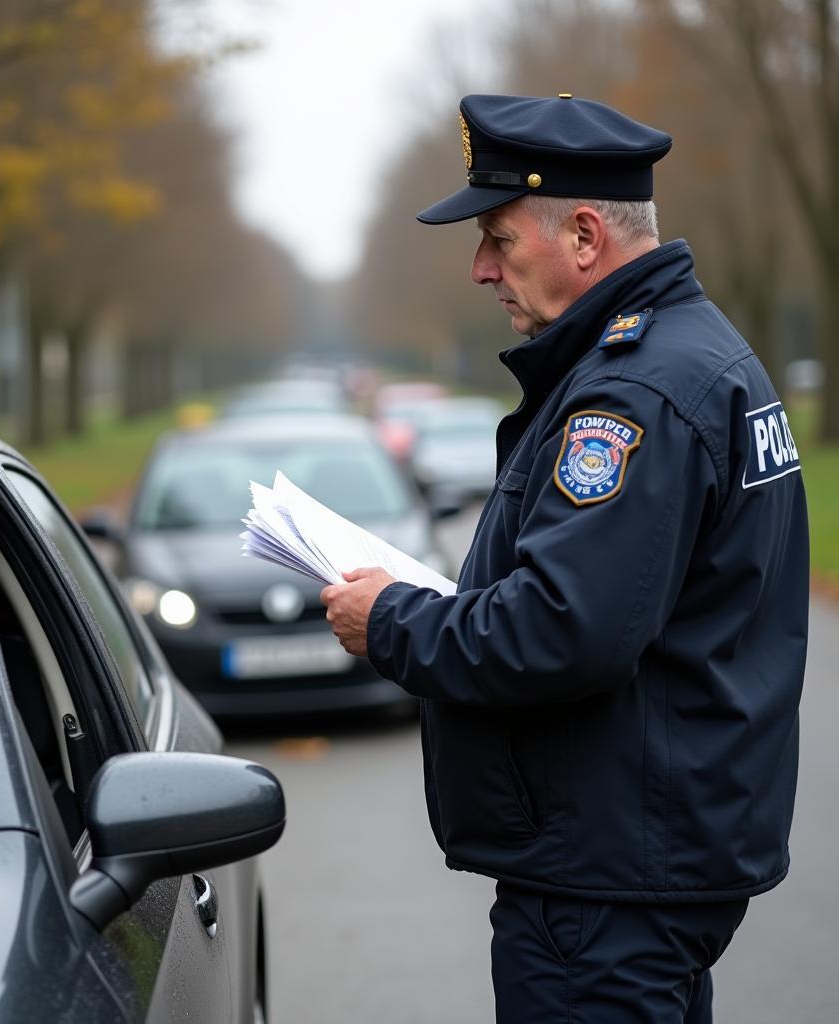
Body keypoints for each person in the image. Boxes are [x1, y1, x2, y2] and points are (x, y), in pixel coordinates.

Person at [320, 93, 808, 1023]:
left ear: (585, 236)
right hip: (642, 863)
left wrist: (389, 619)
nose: (479, 269)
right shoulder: (688, 359)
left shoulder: (632, 396)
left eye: (499, 239)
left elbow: (560, 630)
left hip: (609, 884)